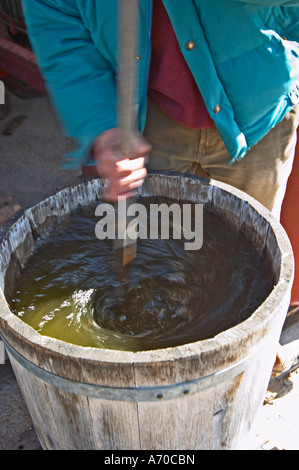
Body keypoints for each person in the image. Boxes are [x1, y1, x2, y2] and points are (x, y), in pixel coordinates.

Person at [22, 0, 299, 368]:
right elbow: (60, 27)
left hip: (257, 101)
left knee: (257, 250)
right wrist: (101, 124)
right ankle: (169, 358)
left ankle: (256, 350)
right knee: (160, 242)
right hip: (154, 109)